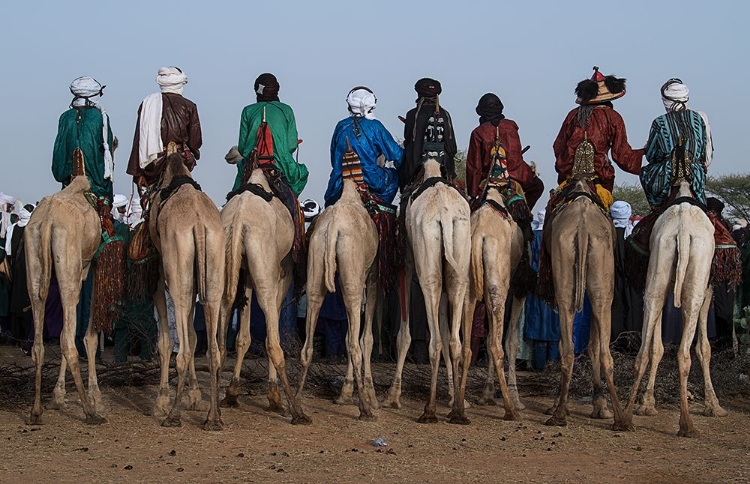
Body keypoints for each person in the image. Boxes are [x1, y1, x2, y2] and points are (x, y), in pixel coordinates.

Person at [553, 67, 643, 196]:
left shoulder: (572, 115)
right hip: (600, 175)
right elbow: (621, 153)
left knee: (554, 204)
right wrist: (642, 153)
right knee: (606, 206)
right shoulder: (613, 116)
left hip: (570, 174)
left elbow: (558, 146)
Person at [324, 86, 403, 206]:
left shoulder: (340, 126)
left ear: (350, 105)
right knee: (394, 177)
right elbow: (397, 154)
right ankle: (381, 211)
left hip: (339, 181)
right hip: (371, 179)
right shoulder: (375, 126)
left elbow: (334, 159)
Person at [127, 67, 202, 193]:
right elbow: (195, 142)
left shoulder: (147, 105)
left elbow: (139, 140)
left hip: (155, 163)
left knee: (151, 199)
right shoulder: (189, 106)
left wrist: (137, 172)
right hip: (182, 159)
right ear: (180, 83)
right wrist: (195, 153)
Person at [640, 78, 712, 208]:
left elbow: (651, 155)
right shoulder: (699, 118)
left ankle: (657, 209)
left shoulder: (659, 122)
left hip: (668, 173)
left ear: (666, 101)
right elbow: (705, 154)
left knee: (645, 173)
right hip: (695, 173)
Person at [233, 73, 308, 197]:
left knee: (235, 193)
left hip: (252, 163)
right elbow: (290, 146)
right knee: (302, 174)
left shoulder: (247, 111)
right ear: (276, 90)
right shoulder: (286, 110)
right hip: (281, 163)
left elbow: (242, 148)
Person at [466, 93, 544, 211]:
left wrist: (473, 195)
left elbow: (474, 167)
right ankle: (526, 214)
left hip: (487, 180)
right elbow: (516, 158)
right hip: (515, 177)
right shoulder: (511, 126)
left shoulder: (478, 132)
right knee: (538, 186)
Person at [52, 77, 115, 200]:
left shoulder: (65, 117)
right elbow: (107, 157)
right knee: (105, 211)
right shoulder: (100, 117)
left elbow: (59, 153)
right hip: (95, 184)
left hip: (68, 183)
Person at [398, 78, 457, 191]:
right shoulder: (445, 115)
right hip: (443, 166)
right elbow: (452, 147)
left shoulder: (412, 115)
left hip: (416, 166)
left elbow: (409, 144)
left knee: (403, 186)